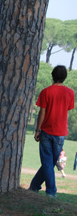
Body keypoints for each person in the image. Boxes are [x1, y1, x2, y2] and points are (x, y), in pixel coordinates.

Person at [29, 66, 74, 197]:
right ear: (65, 77)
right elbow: (68, 108)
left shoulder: (46, 92)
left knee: (48, 163)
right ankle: (35, 186)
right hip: (61, 133)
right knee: (50, 163)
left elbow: (42, 112)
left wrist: (38, 129)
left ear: (52, 75)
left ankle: (50, 192)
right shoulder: (70, 93)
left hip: (47, 131)